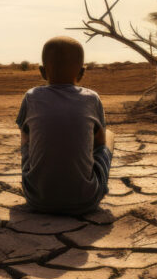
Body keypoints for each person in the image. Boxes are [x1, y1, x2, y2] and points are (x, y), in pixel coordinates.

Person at [15, 36, 114, 215]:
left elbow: (25, 135)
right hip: (86, 200)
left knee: (26, 137)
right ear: (82, 72)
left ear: (42, 72)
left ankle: (37, 179)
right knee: (109, 135)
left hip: (37, 199)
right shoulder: (92, 98)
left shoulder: (31, 97)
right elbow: (99, 141)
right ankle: (94, 183)